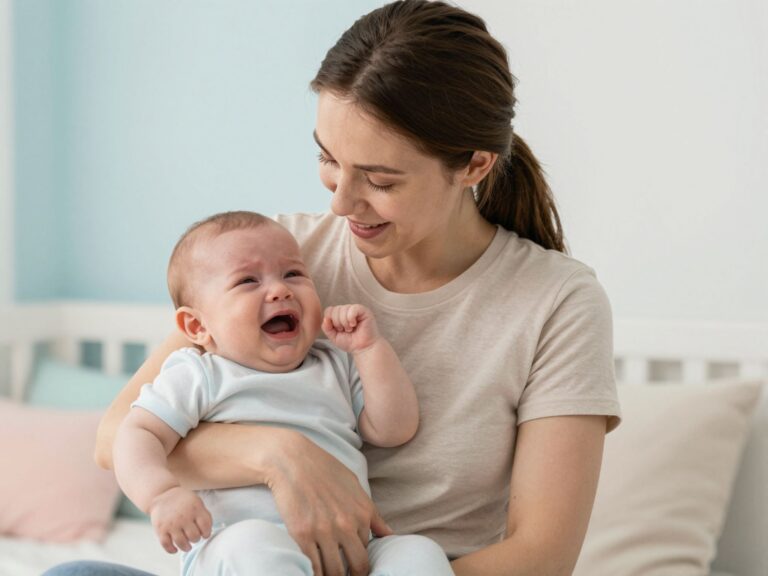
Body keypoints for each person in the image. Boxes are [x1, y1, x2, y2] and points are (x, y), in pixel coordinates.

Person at [45, 1, 621, 575]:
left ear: (472, 166)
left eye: (380, 179)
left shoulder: (557, 302)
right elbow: (117, 436)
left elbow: (541, 557)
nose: (341, 202)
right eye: (328, 158)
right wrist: (282, 455)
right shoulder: (280, 255)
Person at [111, 211, 453, 575]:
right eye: (247, 281)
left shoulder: (334, 364)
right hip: (236, 548)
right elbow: (137, 434)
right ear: (196, 325)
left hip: (348, 550)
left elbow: (394, 428)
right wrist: (161, 494)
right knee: (252, 545)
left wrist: (370, 350)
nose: (280, 289)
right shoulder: (199, 374)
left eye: (293, 273)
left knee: (417, 553)